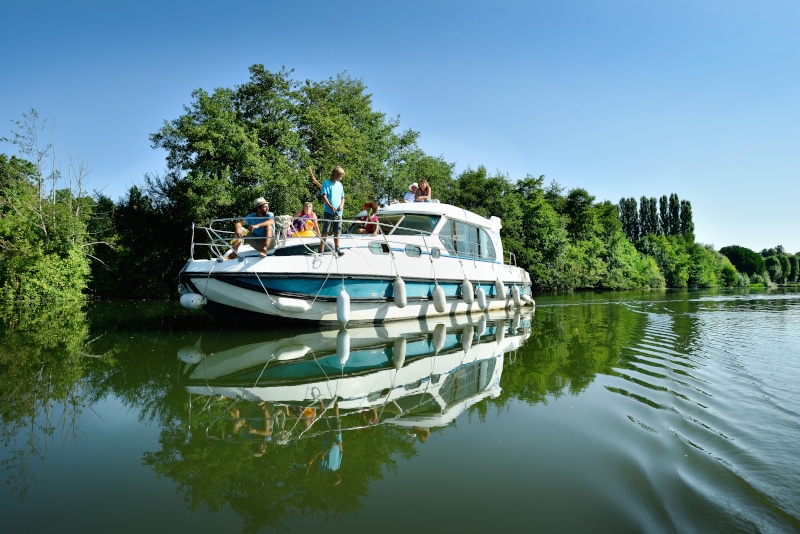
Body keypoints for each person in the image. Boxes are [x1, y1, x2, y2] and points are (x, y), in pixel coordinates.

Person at [319, 165, 346, 256]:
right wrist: (330, 206)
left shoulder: (340, 185)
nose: (341, 178)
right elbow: (324, 196)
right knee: (325, 231)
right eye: (340, 176)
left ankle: (337, 249)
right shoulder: (326, 183)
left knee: (337, 231)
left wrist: (341, 205)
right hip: (328, 211)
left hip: (339, 212)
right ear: (335, 174)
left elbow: (343, 197)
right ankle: (321, 250)